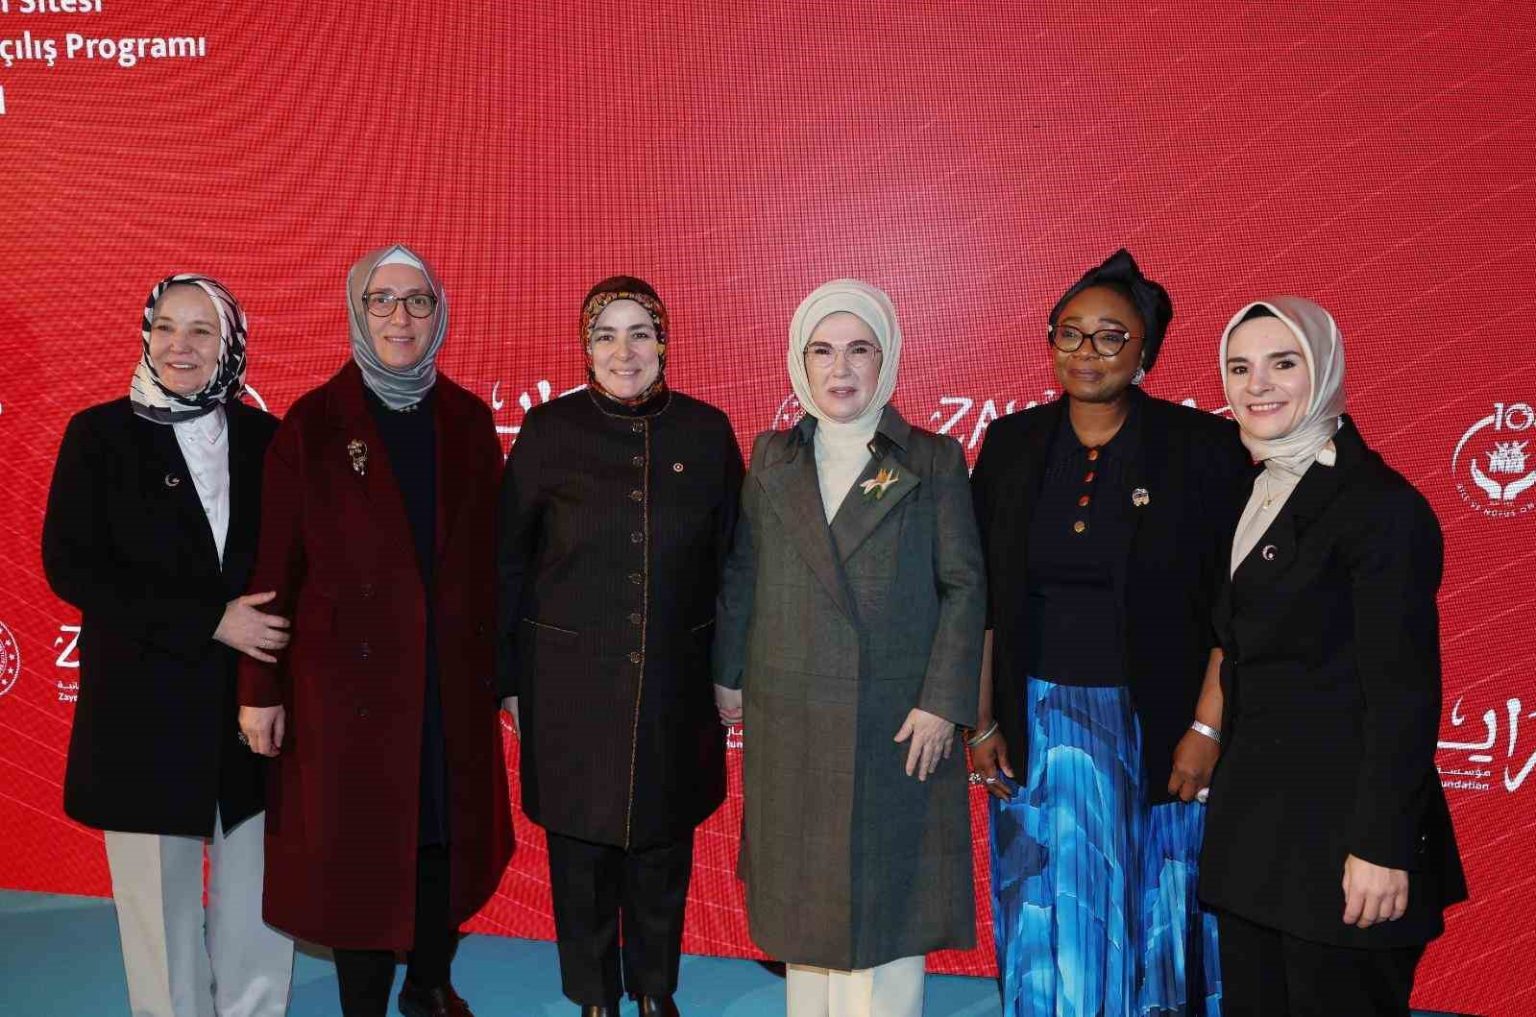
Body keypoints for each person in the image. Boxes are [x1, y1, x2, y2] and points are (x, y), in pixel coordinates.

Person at [969, 249, 1250, 1016]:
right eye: (1070, 332)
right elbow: (981, 598)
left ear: (1145, 350)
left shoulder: (1203, 449)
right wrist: (981, 717)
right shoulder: (1011, 444)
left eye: (1109, 335)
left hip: (1154, 726)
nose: (1086, 351)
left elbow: (1234, 606)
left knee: (1151, 919)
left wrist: (1207, 725)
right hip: (1037, 723)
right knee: (1046, 914)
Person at [236, 244, 513, 1017]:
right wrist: (258, 690)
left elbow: (496, 565)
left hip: (446, 684)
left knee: (441, 838)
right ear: (357, 311)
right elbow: (272, 571)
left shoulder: (468, 420)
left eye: (417, 300)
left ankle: (429, 983)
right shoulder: (313, 424)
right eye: (381, 300)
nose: (400, 317)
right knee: (357, 854)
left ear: (439, 313)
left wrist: (507, 675)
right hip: (345, 689)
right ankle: (363, 1004)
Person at [713, 278, 985, 1017]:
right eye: (822, 351)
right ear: (799, 362)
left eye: (859, 349)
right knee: (804, 903)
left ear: (885, 358)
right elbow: (744, 572)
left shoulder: (931, 459)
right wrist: (727, 674)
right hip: (790, 711)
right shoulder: (772, 457)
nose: (841, 368)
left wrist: (942, 703)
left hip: (895, 720)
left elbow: (965, 588)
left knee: (886, 903)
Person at [1199, 297, 1467, 1016]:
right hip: (1255, 841)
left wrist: (1382, 845)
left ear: (1323, 371)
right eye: (1239, 368)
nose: (1258, 385)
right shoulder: (1252, 489)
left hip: (1348, 848)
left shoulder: (1380, 508)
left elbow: (1402, 694)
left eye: (1283, 363)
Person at [42, 274, 295, 1017]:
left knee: (257, 894)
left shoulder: (268, 439)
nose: (180, 346)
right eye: (166, 328)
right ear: (147, 335)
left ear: (231, 345)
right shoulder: (98, 436)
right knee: (158, 905)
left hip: (249, 707)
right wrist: (209, 619)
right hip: (141, 711)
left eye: (201, 330)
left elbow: (293, 563)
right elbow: (72, 565)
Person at [497, 275, 743, 1017]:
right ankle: (594, 995)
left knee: (664, 843)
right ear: (586, 348)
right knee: (579, 850)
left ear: (664, 343)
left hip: (676, 678)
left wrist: (730, 669)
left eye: (640, 334)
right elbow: (507, 563)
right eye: (606, 335)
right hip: (567, 682)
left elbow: (736, 564)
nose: (623, 351)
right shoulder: (550, 431)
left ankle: (655, 989)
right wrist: (507, 679)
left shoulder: (705, 432)